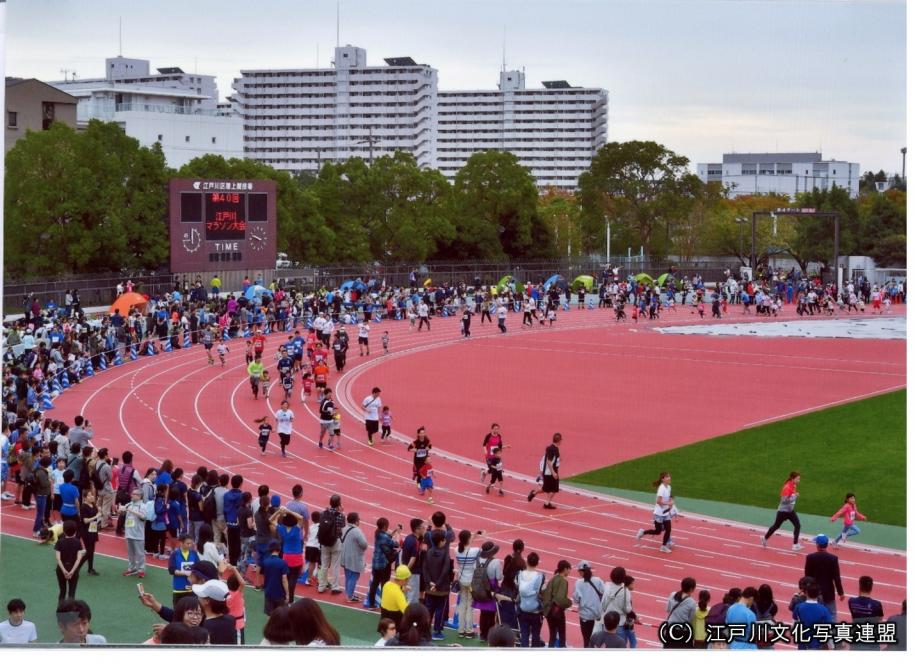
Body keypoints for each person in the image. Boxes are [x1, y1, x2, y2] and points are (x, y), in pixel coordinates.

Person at [804, 534, 844, 620]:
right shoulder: (833, 558)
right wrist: (841, 593)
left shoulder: (810, 557)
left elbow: (807, 576)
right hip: (828, 592)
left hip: (814, 592)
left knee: (815, 615)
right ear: (826, 544)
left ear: (817, 545)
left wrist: (805, 590)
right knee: (831, 615)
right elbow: (836, 577)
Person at [636, 471, 678, 553]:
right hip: (659, 513)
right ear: (663, 479)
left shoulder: (669, 487)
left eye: (669, 476)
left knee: (668, 529)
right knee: (658, 531)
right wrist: (668, 503)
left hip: (665, 512)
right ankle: (643, 532)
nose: (669, 478)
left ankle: (663, 546)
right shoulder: (661, 489)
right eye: (667, 477)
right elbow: (658, 501)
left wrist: (671, 501)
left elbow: (668, 497)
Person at [761, 470, 803, 551]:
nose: (799, 480)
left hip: (790, 511)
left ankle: (795, 544)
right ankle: (764, 538)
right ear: (793, 478)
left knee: (797, 525)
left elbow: (791, 496)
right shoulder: (787, 487)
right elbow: (784, 500)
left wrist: (794, 495)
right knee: (776, 526)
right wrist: (795, 496)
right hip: (783, 512)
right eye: (798, 479)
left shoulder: (793, 485)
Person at [422, 529, 452, 640]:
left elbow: (425, 569)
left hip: (430, 588)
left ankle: (425, 631)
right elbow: (445, 570)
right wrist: (438, 584)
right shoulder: (445, 554)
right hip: (442, 589)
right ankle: (437, 631)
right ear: (442, 541)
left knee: (429, 609)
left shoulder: (428, 552)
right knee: (440, 610)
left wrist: (430, 582)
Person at [368, 518, 401, 609]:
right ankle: (384, 605)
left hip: (376, 563)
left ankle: (371, 604)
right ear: (384, 526)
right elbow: (396, 544)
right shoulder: (384, 537)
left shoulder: (377, 533)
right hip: (384, 564)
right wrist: (398, 534)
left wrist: (395, 530)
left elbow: (388, 536)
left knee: (374, 583)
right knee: (385, 585)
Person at [516, 551, 546, 647]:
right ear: (537, 563)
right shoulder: (540, 576)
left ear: (526, 562)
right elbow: (543, 590)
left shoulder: (519, 575)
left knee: (524, 634)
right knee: (535, 635)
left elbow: (517, 585)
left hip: (523, 609)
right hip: (535, 611)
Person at [317, 494, 345, 594]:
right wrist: (341, 512)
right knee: (335, 566)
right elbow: (343, 528)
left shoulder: (323, 513)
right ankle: (335, 587)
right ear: (339, 503)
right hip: (336, 541)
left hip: (324, 542)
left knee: (324, 565)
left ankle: (321, 586)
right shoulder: (341, 516)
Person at [792, 581, 833, 649]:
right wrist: (831, 646)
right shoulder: (824, 610)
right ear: (818, 594)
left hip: (803, 645)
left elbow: (794, 626)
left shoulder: (798, 607)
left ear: (806, 593)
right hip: (817, 646)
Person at [573, 561, 604, 647]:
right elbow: (604, 594)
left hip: (585, 616)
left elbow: (576, 599)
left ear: (581, 571)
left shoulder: (578, 583)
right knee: (596, 641)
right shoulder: (598, 580)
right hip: (597, 615)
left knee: (586, 640)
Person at [542, 559, 572, 647]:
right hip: (557, 613)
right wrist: (569, 602)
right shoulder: (563, 581)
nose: (570, 571)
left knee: (552, 636)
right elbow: (560, 599)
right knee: (562, 636)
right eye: (569, 569)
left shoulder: (553, 579)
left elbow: (545, 593)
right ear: (565, 569)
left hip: (549, 611)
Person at [849, 575, 883, 651]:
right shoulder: (877, 604)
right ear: (871, 588)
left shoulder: (851, 601)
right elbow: (879, 620)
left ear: (860, 587)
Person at [527, 433, 562, 508]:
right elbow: (548, 461)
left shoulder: (552, 448)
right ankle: (547, 503)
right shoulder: (553, 449)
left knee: (546, 488)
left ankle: (534, 493)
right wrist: (553, 472)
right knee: (554, 488)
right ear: (559, 441)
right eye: (561, 440)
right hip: (550, 473)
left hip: (548, 472)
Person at [341, 512, 368, 603]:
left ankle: (349, 594)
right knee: (354, 576)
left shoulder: (344, 528)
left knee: (348, 576)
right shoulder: (357, 530)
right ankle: (350, 596)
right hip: (354, 557)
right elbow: (364, 544)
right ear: (356, 521)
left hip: (345, 555)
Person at [169, 533, 202, 606]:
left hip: (192, 589)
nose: (190, 545)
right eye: (188, 543)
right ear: (181, 543)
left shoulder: (194, 553)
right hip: (179, 589)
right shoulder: (175, 554)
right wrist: (185, 573)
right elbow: (171, 570)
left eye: (191, 543)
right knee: (178, 612)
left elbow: (198, 567)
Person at [664, 577, 697, 648]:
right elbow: (690, 619)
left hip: (670, 629)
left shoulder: (672, 594)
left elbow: (668, 609)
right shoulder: (692, 602)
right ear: (691, 589)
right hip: (682, 632)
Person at [261, 542, 290, 615]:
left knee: (270, 615)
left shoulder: (265, 562)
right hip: (280, 594)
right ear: (279, 550)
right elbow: (284, 579)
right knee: (282, 615)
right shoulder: (283, 563)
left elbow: (263, 576)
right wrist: (287, 594)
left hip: (268, 593)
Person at [481, 423, 510, 496]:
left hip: (496, 456)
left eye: (497, 429)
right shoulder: (488, 436)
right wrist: (485, 451)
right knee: (491, 469)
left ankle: (484, 473)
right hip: (489, 456)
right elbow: (484, 445)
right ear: (492, 429)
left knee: (492, 470)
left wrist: (505, 447)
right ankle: (487, 476)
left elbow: (499, 447)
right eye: (495, 428)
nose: (496, 430)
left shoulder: (499, 436)